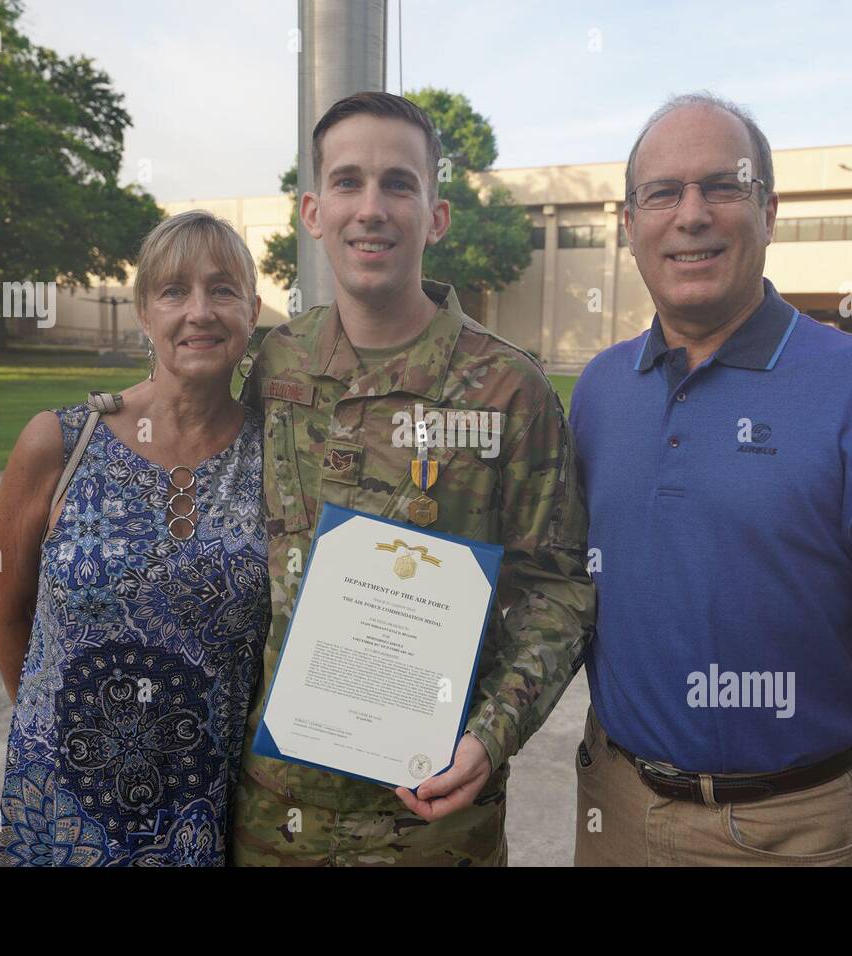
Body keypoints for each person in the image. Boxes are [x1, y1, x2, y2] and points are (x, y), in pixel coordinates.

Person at [570, 92, 852, 867]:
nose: (691, 214)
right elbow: (554, 589)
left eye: (722, 186)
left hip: (785, 834)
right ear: (629, 225)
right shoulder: (599, 392)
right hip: (612, 810)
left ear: (769, 212)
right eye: (662, 192)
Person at [232, 91, 595, 866]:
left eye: (399, 183)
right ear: (312, 210)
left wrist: (492, 734)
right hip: (274, 815)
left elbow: (555, 588)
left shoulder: (508, 389)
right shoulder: (277, 364)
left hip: (433, 824)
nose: (372, 208)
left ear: (437, 216)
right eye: (348, 182)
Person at [0, 210, 271, 866]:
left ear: (252, 310)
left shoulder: (276, 459)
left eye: (222, 290)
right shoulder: (59, 442)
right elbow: (6, 613)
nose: (199, 310)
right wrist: (59, 727)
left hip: (202, 814)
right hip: (61, 805)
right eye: (174, 291)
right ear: (145, 311)